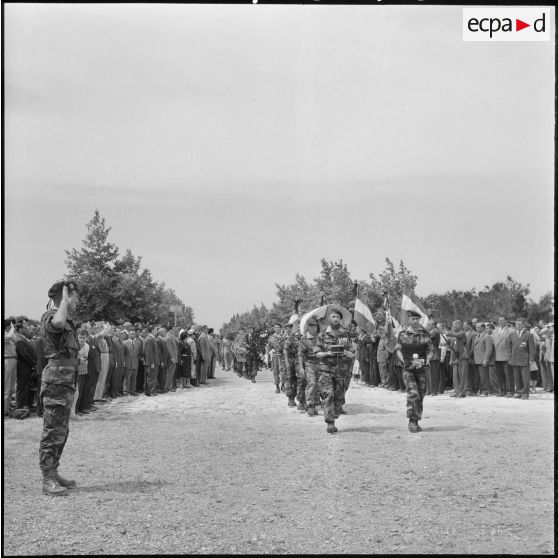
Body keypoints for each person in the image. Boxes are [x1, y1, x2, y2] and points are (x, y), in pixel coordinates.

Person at [39, 280, 80, 496]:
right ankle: (47, 479)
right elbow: (57, 323)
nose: (77, 300)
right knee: (52, 431)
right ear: (64, 297)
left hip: (65, 382)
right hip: (56, 383)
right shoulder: (51, 317)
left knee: (61, 431)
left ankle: (53, 472)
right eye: (74, 296)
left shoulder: (68, 321)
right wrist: (64, 300)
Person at [315, 307, 357, 434]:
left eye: (337, 317)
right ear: (329, 319)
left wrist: (347, 352)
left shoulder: (345, 334)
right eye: (333, 317)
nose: (335, 319)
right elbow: (317, 353)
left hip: (341, 370)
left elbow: (352, 352)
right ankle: (330, 423)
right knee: (328, 395)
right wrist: (326, 353)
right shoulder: (322, 334)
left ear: (340, 319)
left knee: (339, 397)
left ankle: (335, 413)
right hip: (325, 369)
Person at [395, 310, 433, 433]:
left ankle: (416, 420)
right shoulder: (402, 334)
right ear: (409, 320)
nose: (415, 321)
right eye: (413, 319)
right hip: (408, 369)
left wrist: (427, 360)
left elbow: (430, 350)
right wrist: (404, 362)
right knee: (413, 393)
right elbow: (398, 350)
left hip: (421, 368)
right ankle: (411, 420)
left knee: (420, 395)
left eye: (417, 319)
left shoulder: (425, 334)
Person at [13, 319, 37, 416]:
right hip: (23, 368)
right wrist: (33, 364)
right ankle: (20, 407)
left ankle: (25, 406)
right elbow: (25, 355)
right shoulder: (19, 340)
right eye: (25, 328)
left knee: (26, 387)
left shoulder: (22, 338)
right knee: (22, 387)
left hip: (26, 368)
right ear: (20, 329)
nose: (27, 330)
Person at [298, 317, 321, 417]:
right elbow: (300, 354)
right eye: (312, 326)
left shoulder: (321, 337)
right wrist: (301, 367)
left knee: (319, 385)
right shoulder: (304, 339)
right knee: (312, 383)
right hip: (309, 363)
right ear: (309, 327)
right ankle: (310, 406)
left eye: (316, 326)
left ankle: (315, 403)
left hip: (320, 363)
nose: (314, 328)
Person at [509, 318, 536, 400]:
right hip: (515, 358)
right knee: (517, 377)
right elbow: (510, 347)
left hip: (524, 359)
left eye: (520, 324)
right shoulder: (512, 334)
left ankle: (525, 393)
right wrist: (510, 357)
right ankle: (519, 392)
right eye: (517, 324)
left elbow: (532, 348)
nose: (518, 325)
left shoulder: (529, 335)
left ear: (523, 324)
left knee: (525, 377)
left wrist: (531, 359)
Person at [446, 320, 469, 398]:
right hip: (455, 358)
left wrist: (444, 332)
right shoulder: (454, 337)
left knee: (462, 375)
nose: (453, 327)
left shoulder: (462, 333)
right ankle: (457, 391)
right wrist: (451, 359)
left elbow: (455, 335)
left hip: (462, 357)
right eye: (452, 326)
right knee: (455, 376)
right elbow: (452, 348)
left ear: (459, 326)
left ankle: (462, 392)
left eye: (455, 326)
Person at [492, 317, 514, 397]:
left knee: (508, 375)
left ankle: (510, 391)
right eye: (499, 320)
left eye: (502, 320)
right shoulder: (495, 331)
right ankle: (502, 390)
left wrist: (511, 355)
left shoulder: (511, 331)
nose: (500, 321)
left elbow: (513, 345)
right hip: (497, 356)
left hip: (506, 356)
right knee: (500, 375)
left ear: (506, 321)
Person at [3, 320, 18, 417]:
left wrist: (13, 330)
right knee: (6, 388)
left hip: (13, 360)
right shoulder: (6, 335)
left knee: (12, 388)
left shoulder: (10, 334)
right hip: (7, 360)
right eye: (11, 326)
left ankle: (7, 409)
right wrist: (12, 329)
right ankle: (3, 411)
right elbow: (7, 338)